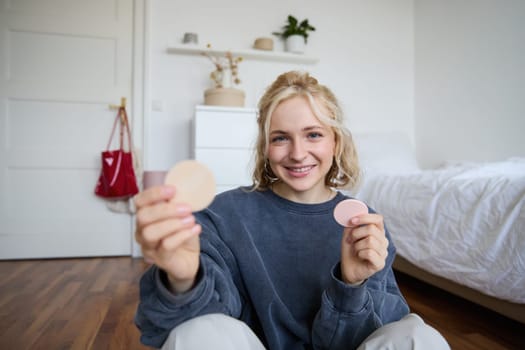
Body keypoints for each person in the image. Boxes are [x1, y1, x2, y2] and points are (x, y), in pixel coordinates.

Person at [134, 71, 450, 350]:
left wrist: (351, 285)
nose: (298, 154)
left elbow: (376, 333)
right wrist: (185, 281)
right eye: (281, 138)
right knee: (197, 332)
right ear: (265, 147)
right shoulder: (222, 214)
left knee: (420, 337)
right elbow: (183, 327)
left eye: (313, 134)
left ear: (335, 143)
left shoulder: (364, 224)